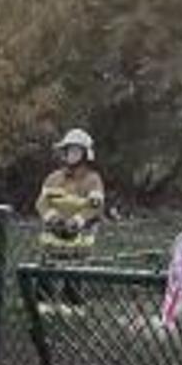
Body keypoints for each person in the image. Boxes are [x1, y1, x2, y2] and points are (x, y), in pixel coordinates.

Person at [34, 129, 106, 314]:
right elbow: (41, 203)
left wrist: (78, 220)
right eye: (69, 150)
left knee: (74, 273)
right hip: (52, 237)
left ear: (86, 154)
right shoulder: (53, 178)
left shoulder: (92, 180)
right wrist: (51, 217)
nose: (71, 155)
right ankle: (44, 304)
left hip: (78, 239)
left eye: (76, 151)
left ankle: (74, 306)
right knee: (46, 271)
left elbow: (95, 206)